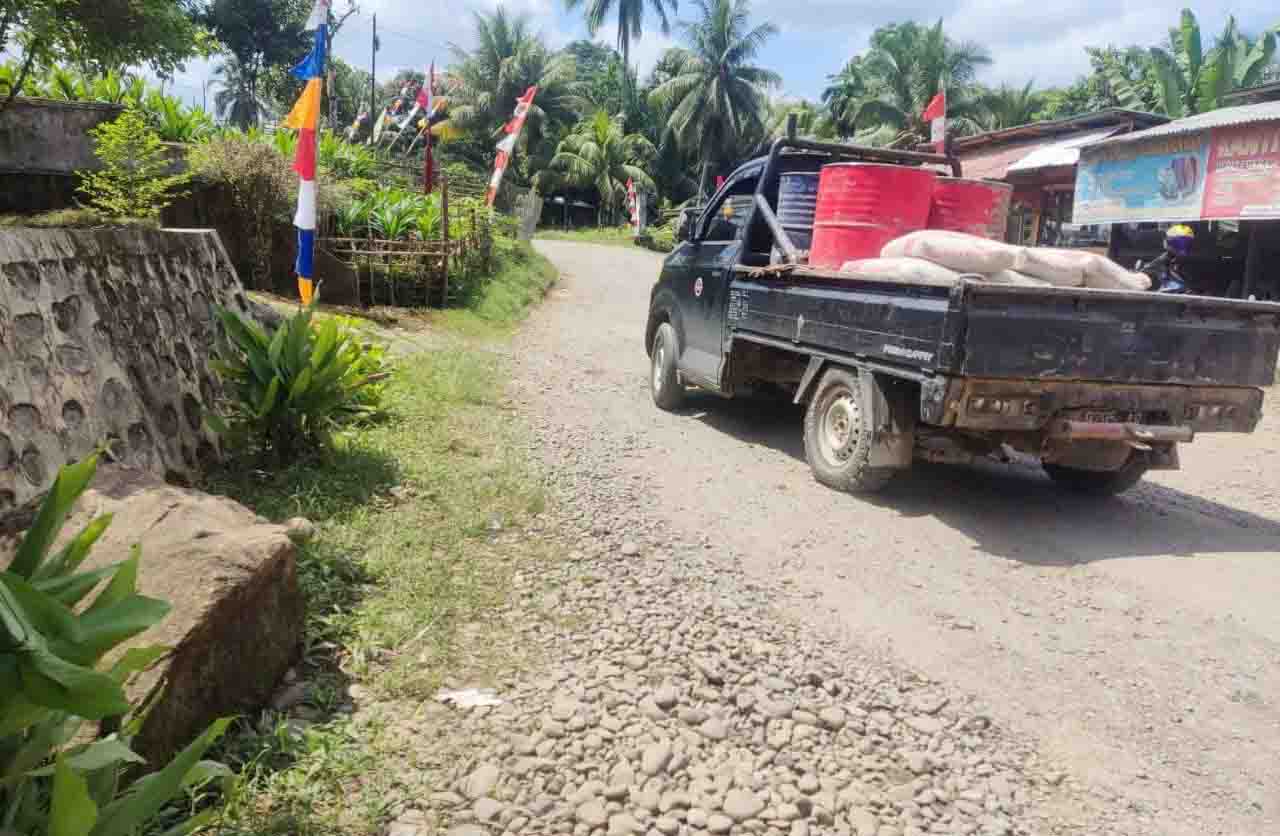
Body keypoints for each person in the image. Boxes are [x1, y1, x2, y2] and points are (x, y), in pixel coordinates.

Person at [1141, 224, 1195, 293]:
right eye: (1178, 244)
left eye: (1186, 244)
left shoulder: (1185, 264)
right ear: (1167, 242)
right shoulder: (1159, 261)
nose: (1182, 249)